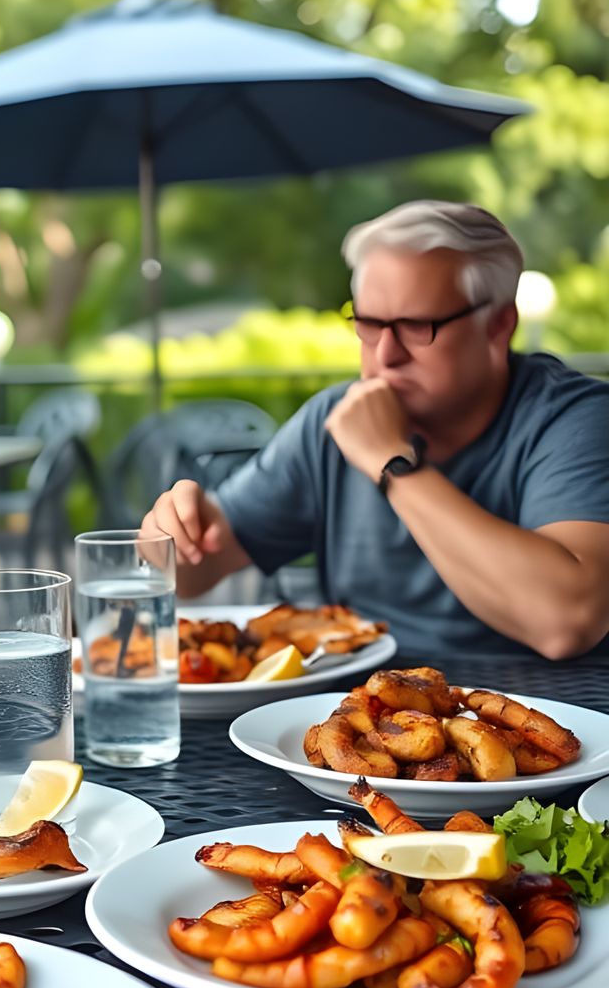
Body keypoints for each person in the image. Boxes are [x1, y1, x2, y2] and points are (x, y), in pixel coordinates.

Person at [142, 201, 609, 660]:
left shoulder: (575, 421)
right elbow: (195, 570)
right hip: (360, 717)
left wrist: (392, 462)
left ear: (499, 325)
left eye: (415, 326)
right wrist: (172, 534)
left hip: (551, 718)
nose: (385, 355)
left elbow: (566, 623)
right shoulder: (333, 422)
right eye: (368, 324)